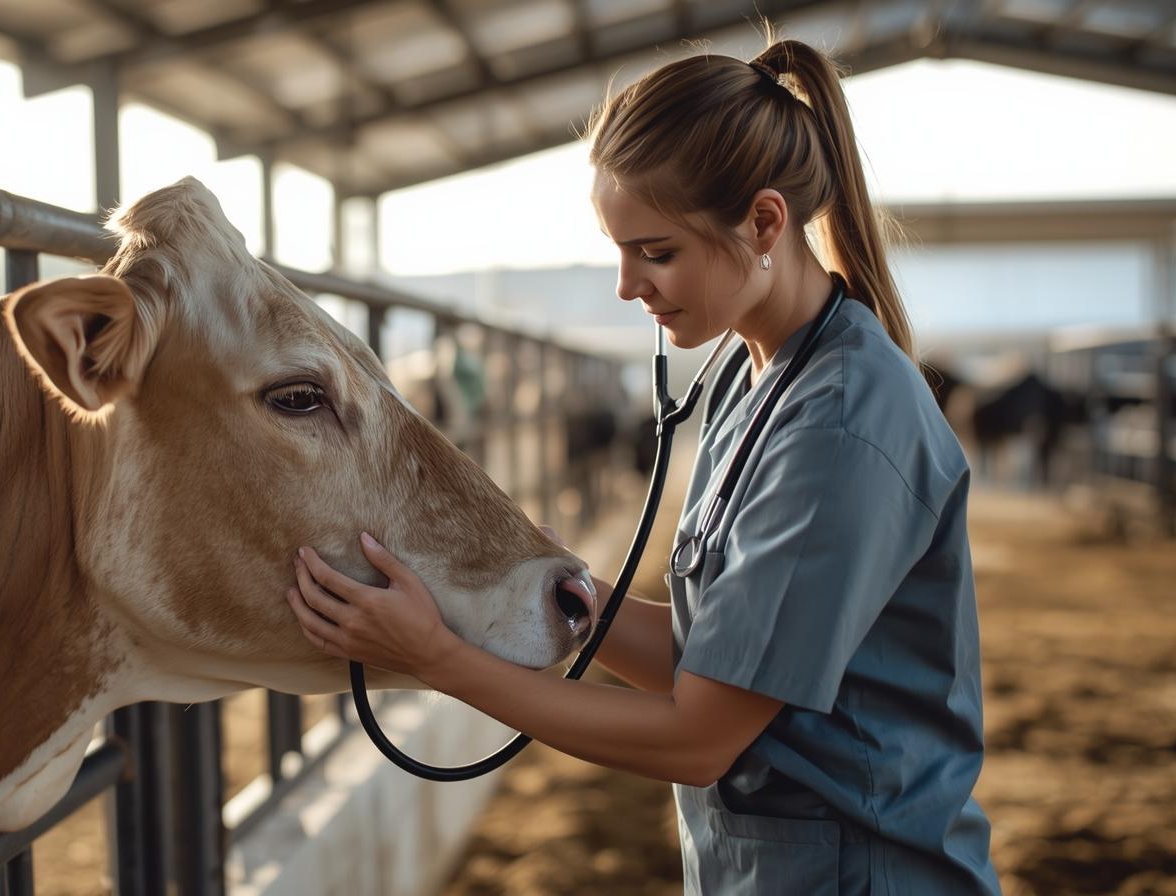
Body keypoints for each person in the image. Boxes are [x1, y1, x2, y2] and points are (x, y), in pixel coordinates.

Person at [284, 36, 1001, 896]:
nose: (628, 286)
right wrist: (557, 587)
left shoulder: (840, 427)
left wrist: (439, 659)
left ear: (765, 223)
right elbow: (717, 657)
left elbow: (697, 737)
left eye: (656, 252)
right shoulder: (754, 369)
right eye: (618, 251)